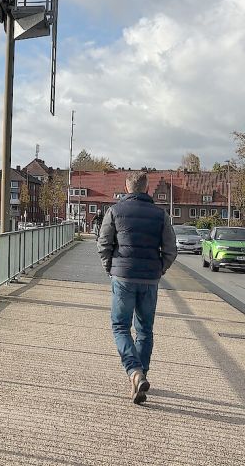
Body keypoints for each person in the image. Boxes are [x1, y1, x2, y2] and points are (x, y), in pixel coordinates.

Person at [97, 171, 177, 404]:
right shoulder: (160, 214)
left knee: (120, 327)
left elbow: (103, 244)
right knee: (144, 330)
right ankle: (141, 376)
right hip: (149, 280)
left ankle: (134, 372)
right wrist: (159, 269)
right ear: (147, 188)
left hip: (123, 277)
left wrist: (110, 268)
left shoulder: (115, 211)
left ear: (126, 187)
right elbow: (171, 249)